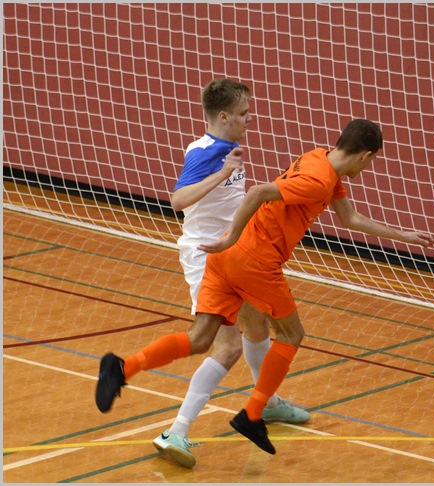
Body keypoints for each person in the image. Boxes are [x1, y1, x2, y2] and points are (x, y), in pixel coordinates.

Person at [96, 118, 434, 456]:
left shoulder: (319, 159)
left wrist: (403, 236)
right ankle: (252, 414)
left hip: (226, 260)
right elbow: (258, 192)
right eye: (372, 161)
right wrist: (230, 236)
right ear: (365, 155)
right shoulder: (319, 180)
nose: (369, 167)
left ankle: (124, 367)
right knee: (291, 334)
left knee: (201, 338)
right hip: (254, 261)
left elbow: (350, 218)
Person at [95, 78, 309, 468]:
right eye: (243, 113)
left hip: (238, 255)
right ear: (223, 116)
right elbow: (178, 200)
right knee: (220, 346)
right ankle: (168, 420)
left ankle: (269, 403)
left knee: (257, 327)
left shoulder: (224, 148)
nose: (249, 119)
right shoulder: (209, 152)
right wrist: (222, 173)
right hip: (207, 257)